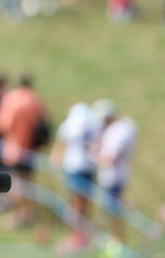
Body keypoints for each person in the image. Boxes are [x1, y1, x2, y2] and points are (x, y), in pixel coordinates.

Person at [0, 72, 47, 229]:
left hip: (13, 148)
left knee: (14, 183)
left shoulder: (11, 99)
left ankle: (17, 215)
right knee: (28, 182)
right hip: (30, 149)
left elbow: (2, 124)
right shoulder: (35, 99)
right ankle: (28, 212)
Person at [50, 102, 98, 253]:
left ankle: (77, 237)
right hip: (88, 168)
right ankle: (81, 236)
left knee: (76, 204)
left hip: (74, 168)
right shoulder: (92, 124)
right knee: (83, 204)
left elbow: (60, 145)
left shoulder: (69, 124)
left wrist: (54, 162)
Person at [93, 99, 136, 245]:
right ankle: (114, 242)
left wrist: (94, 155)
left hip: (114, 178)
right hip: (110, 177)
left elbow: (110, 158)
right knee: (109, 212)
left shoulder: (120, 130)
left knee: (115, 212)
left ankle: (118, 243)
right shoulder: (116, 130)